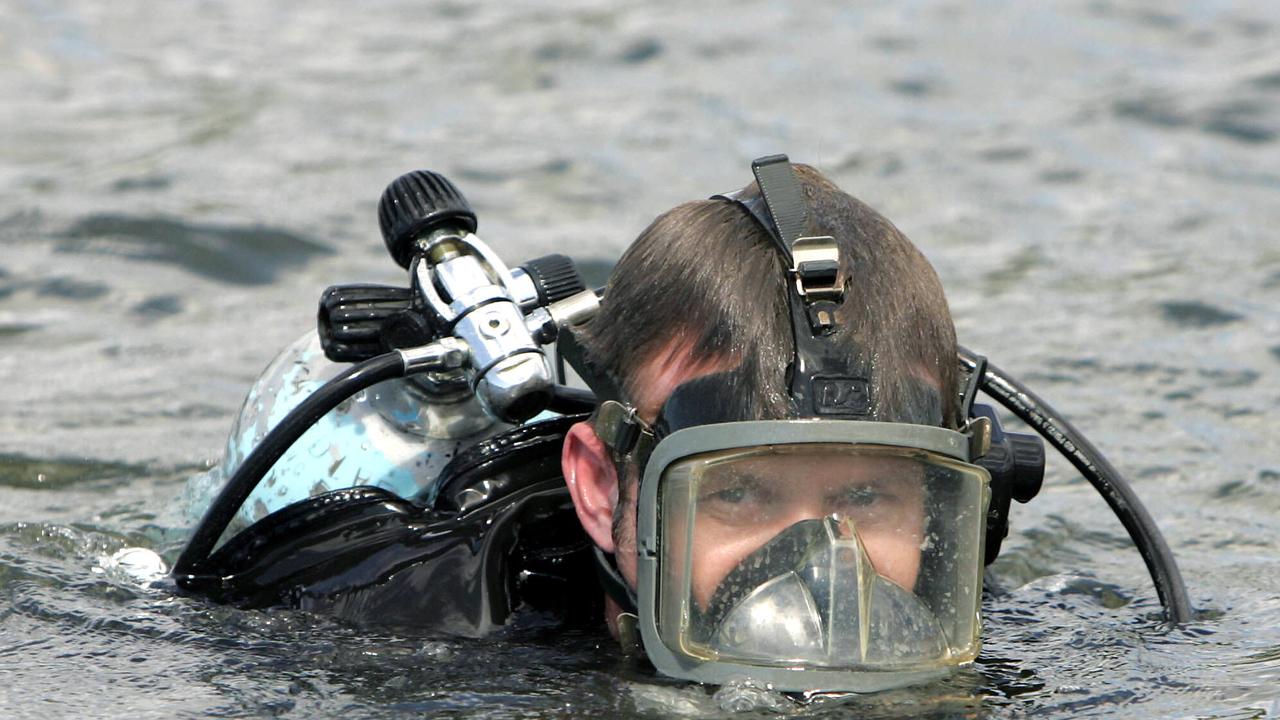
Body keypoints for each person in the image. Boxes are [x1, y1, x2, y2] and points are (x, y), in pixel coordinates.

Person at [558, 158, 990, 691]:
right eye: (736, 494)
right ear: (602, 487)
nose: (823, 566)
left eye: (868, 496)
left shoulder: (1017, 651)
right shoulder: (455, 656)